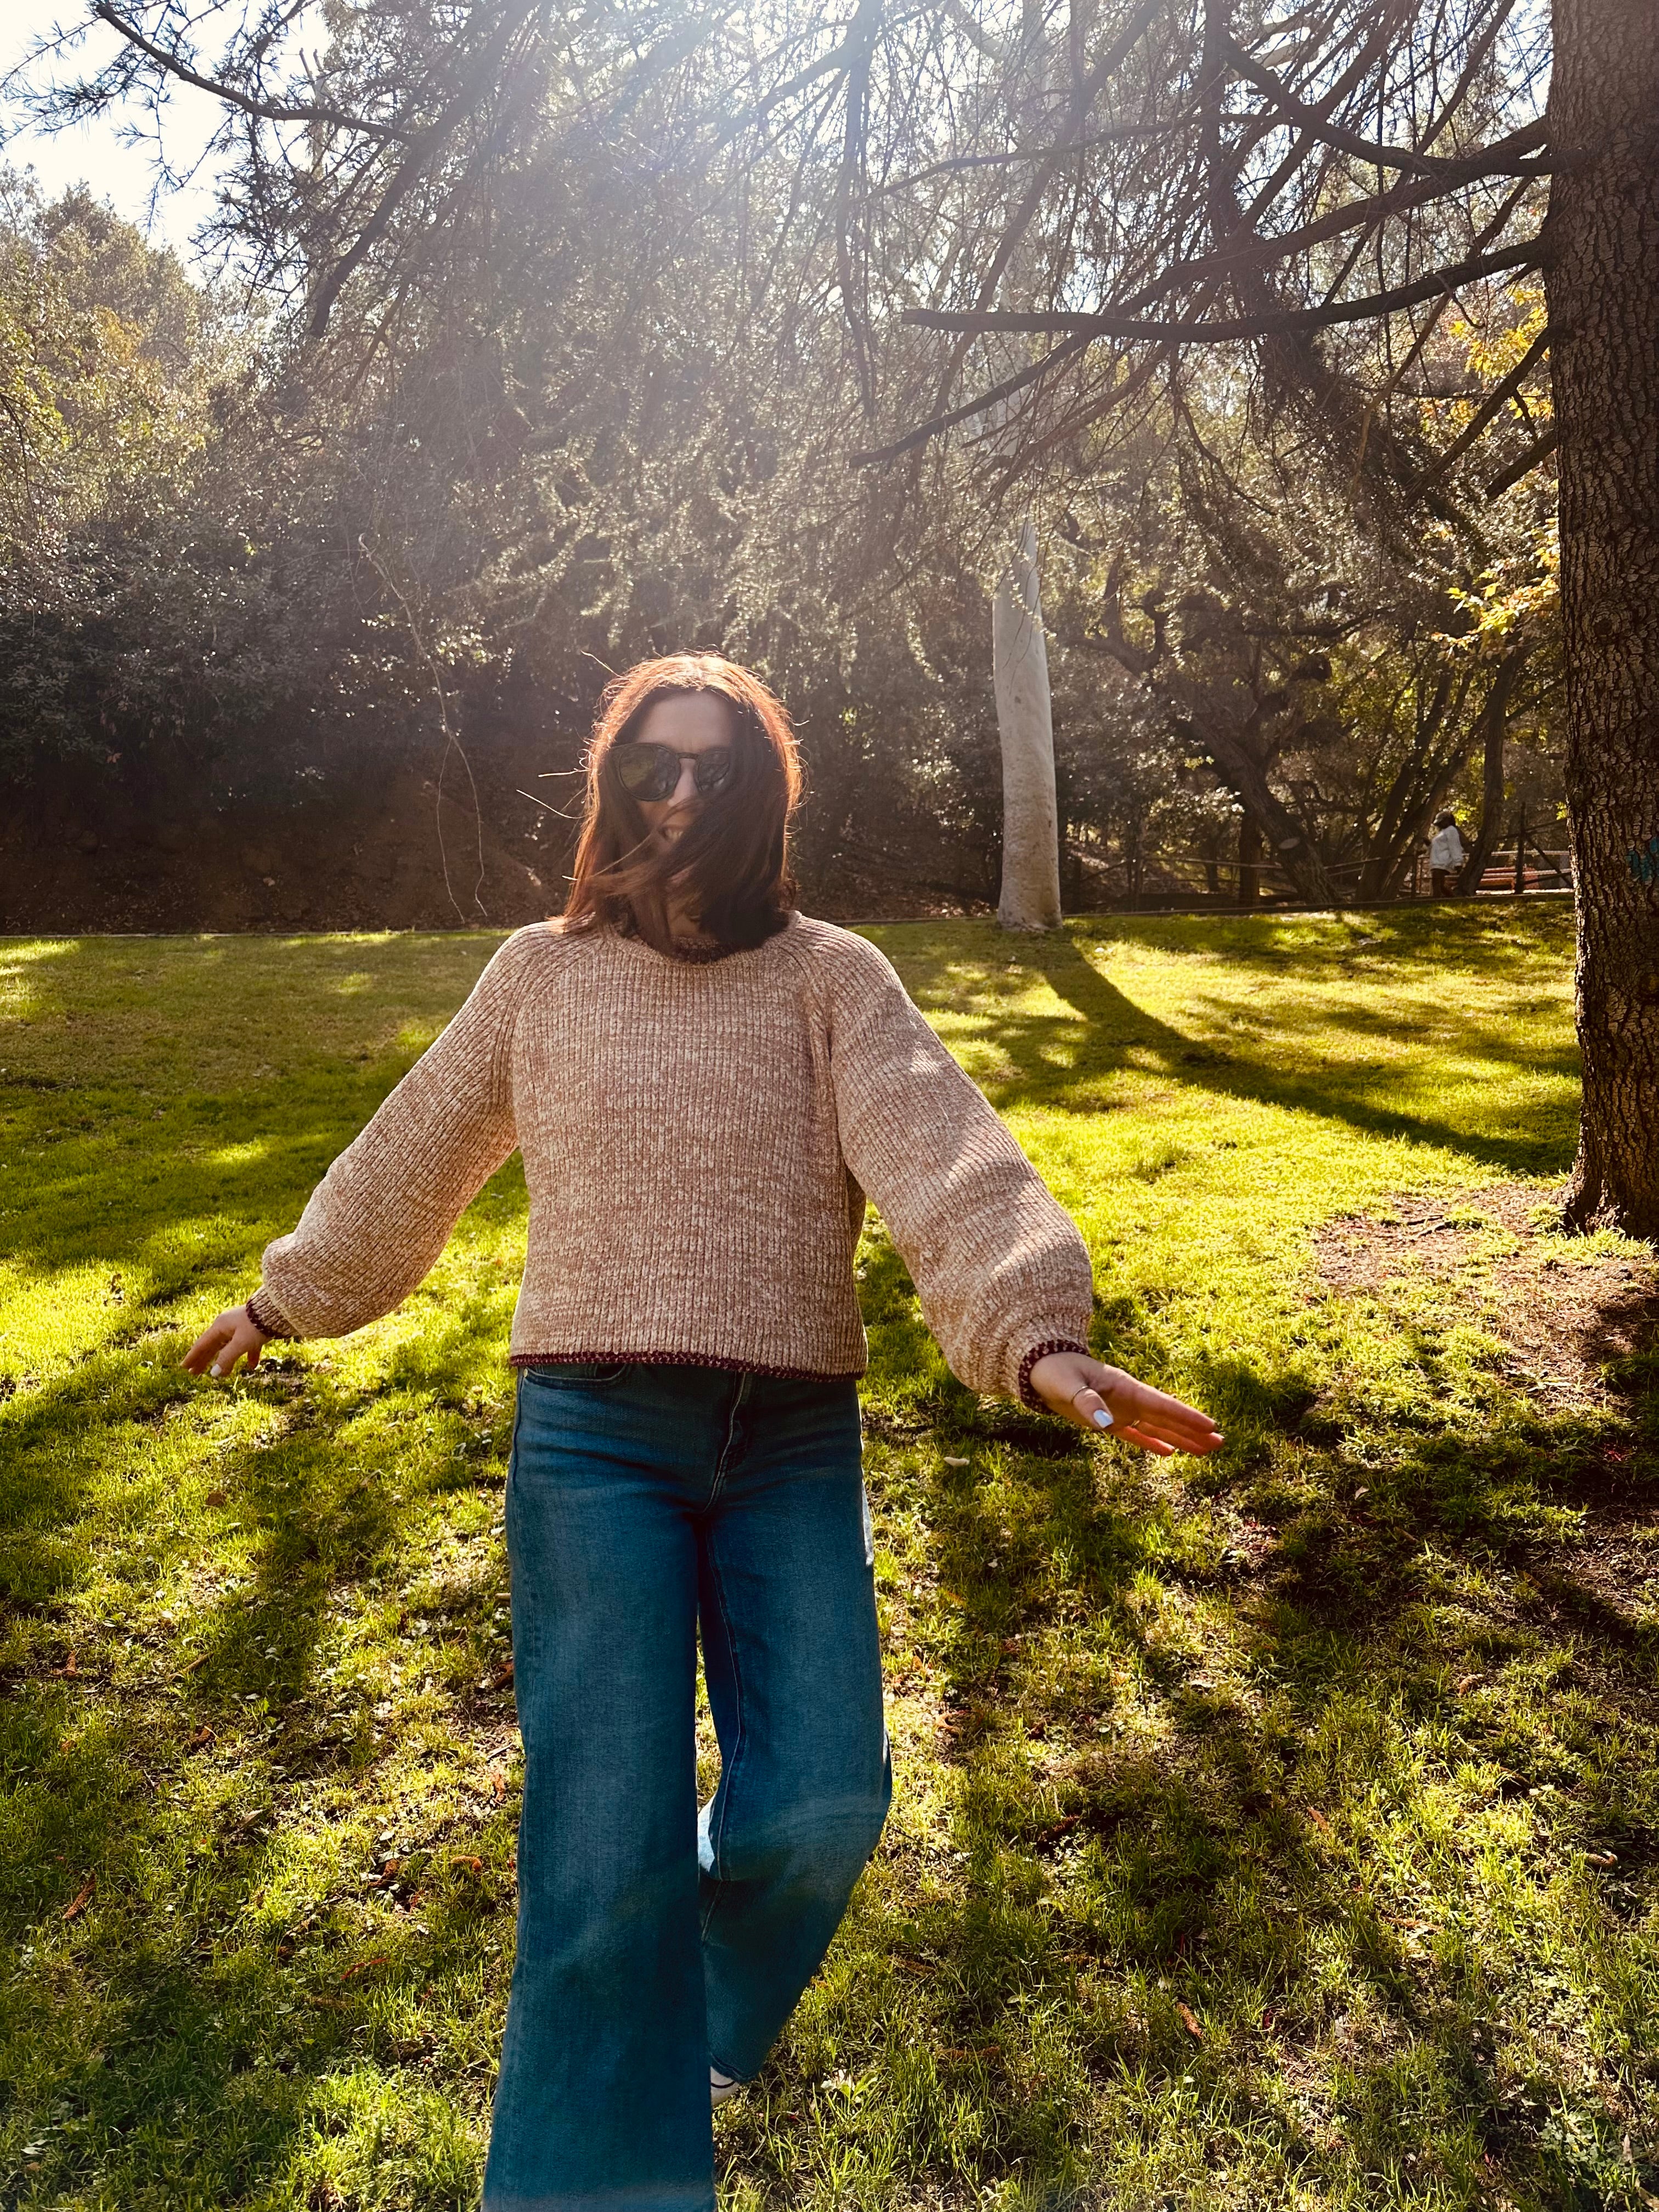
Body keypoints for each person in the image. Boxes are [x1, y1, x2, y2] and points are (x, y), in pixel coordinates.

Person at [184, 652, 1223, 2212]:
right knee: (602, 1859)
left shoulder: (832, 978)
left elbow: (951, 1160)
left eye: (715, 771)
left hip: (788, 1436)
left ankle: (687, 2014)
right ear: (610, 789)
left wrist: (1041, 1338)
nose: (680, 797)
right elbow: (411, 1154)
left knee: (823, 1802)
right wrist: (289, 1299)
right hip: (592, 1442)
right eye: (650, 769)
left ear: (764, 797)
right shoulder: (537, 978)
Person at [1429, 811, 1465, 895]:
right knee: (1441, 885)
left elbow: (1454, 846)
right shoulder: (1443, 833)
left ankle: (1436, 901)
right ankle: (1453, 899)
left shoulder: (1451, 831)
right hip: (1436, 861)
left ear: (1447, 820)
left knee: (1437, 883)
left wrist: (1458, 862)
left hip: (1442, 862)